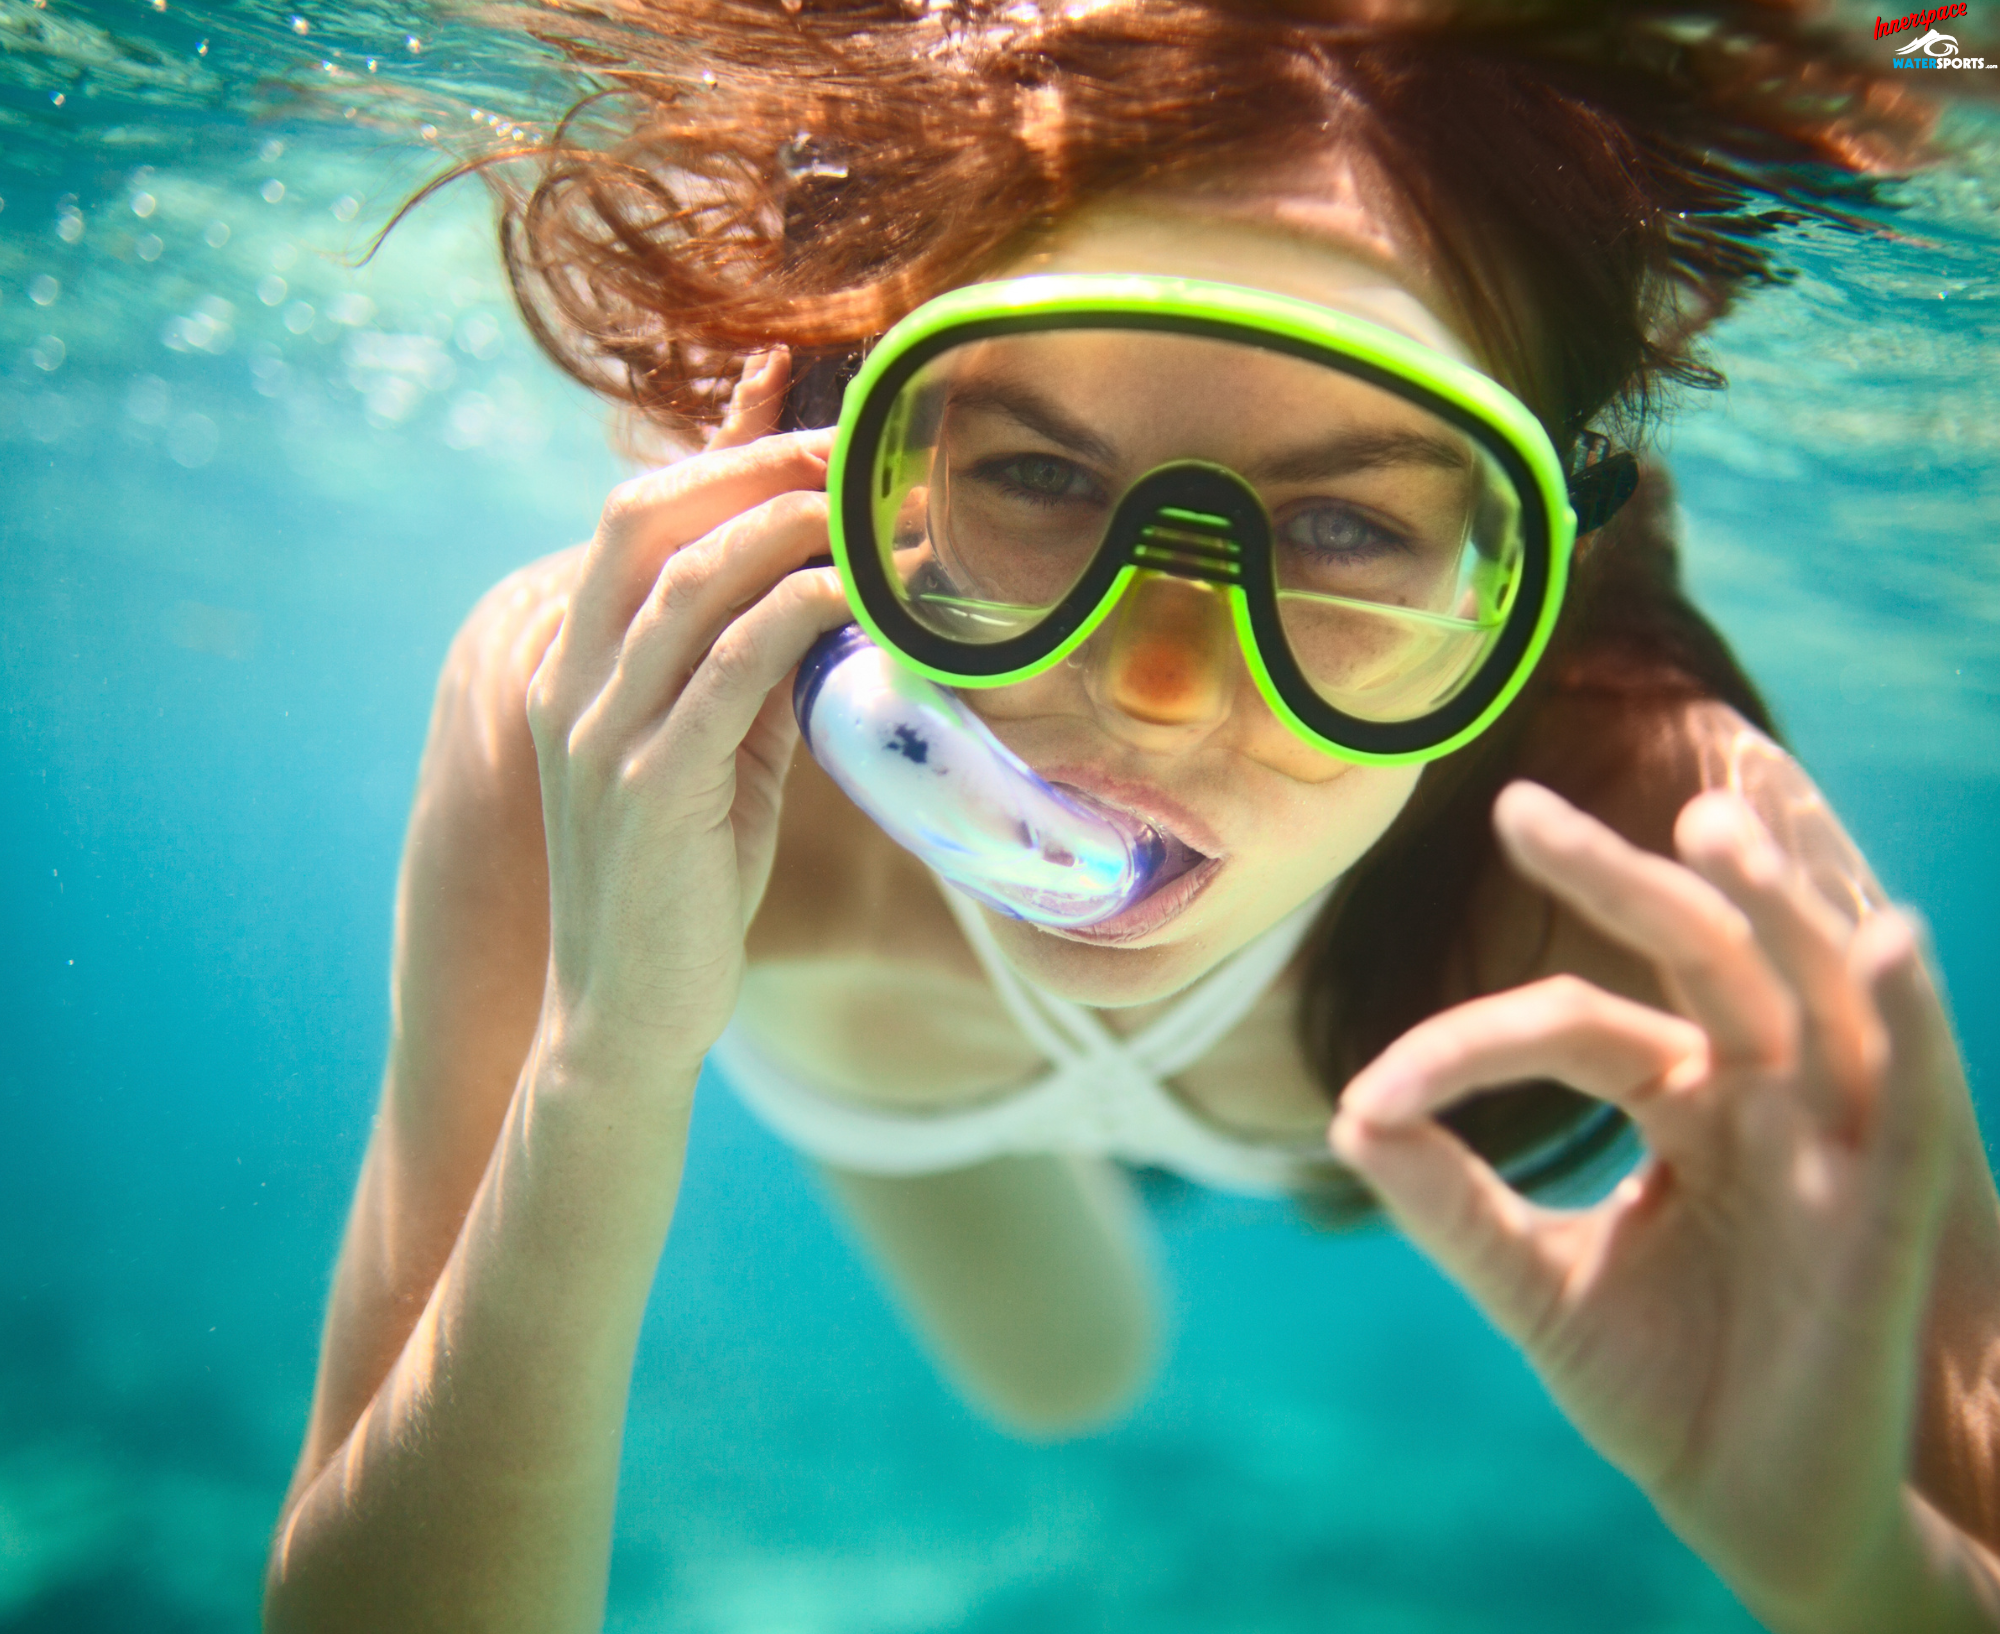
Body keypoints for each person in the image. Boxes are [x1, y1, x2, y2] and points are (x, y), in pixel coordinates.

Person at [263, 3, 2000, 1630]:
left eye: (1345, 534)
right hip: (900, 1086)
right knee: (1061, 1371)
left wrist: (1865, 1576)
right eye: (1032, 472)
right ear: (834, 454)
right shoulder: (613, 714)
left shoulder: (1665, 837)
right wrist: (604, 1064)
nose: (1158, 682)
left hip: (1294, 1061)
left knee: (1066, 1371)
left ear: (1527, 577)